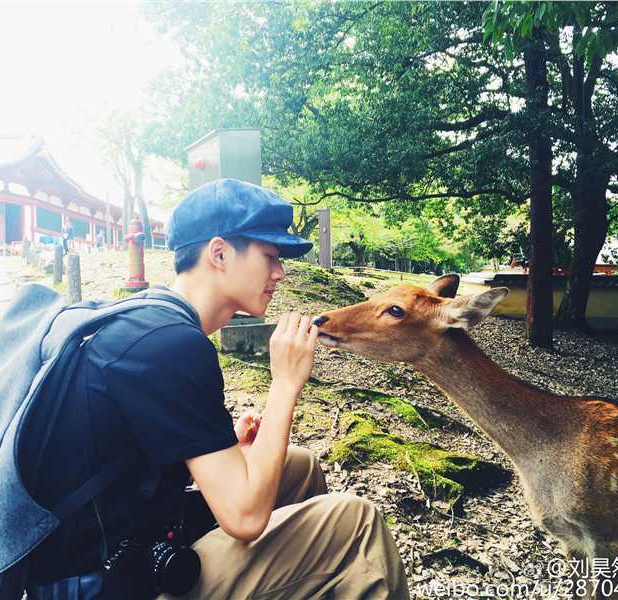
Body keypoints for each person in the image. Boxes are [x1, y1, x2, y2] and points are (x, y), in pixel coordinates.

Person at [21, 178, 408, 599]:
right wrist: (285, 383)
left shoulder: (149, 322)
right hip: (102, 584)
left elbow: (119, 456)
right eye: (270, 256)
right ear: (219, 254)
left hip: (126, 544)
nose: (280, 273)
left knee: (298, 467)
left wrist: (221, 447)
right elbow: (244, 517)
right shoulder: (170, 344)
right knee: (357, 525)